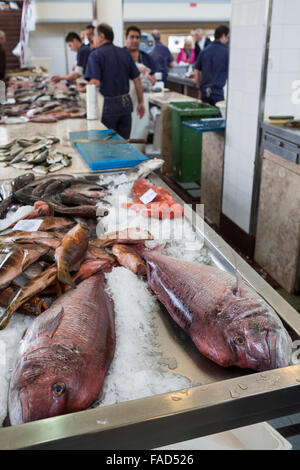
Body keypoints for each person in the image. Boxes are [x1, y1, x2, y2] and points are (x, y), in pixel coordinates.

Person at [85, 23, 146, 140]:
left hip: (107, 106)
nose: (93, 39)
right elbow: (137, 79)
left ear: (102, 36)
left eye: (94, 35)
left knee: (106, 144)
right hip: (125, 104)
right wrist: (141, 102)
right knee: (124, 143)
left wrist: (82, 89)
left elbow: (95, 83)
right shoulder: (125, 53)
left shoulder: (96, 55)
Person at [194, 25, 230, 106]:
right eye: (228, 37)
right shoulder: (227, 52)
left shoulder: (204, 51)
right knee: (218, 117)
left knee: (206, 116)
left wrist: (199, 86)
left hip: (204, 92)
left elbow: (196, 71)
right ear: (224, 36)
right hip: (218, 93)